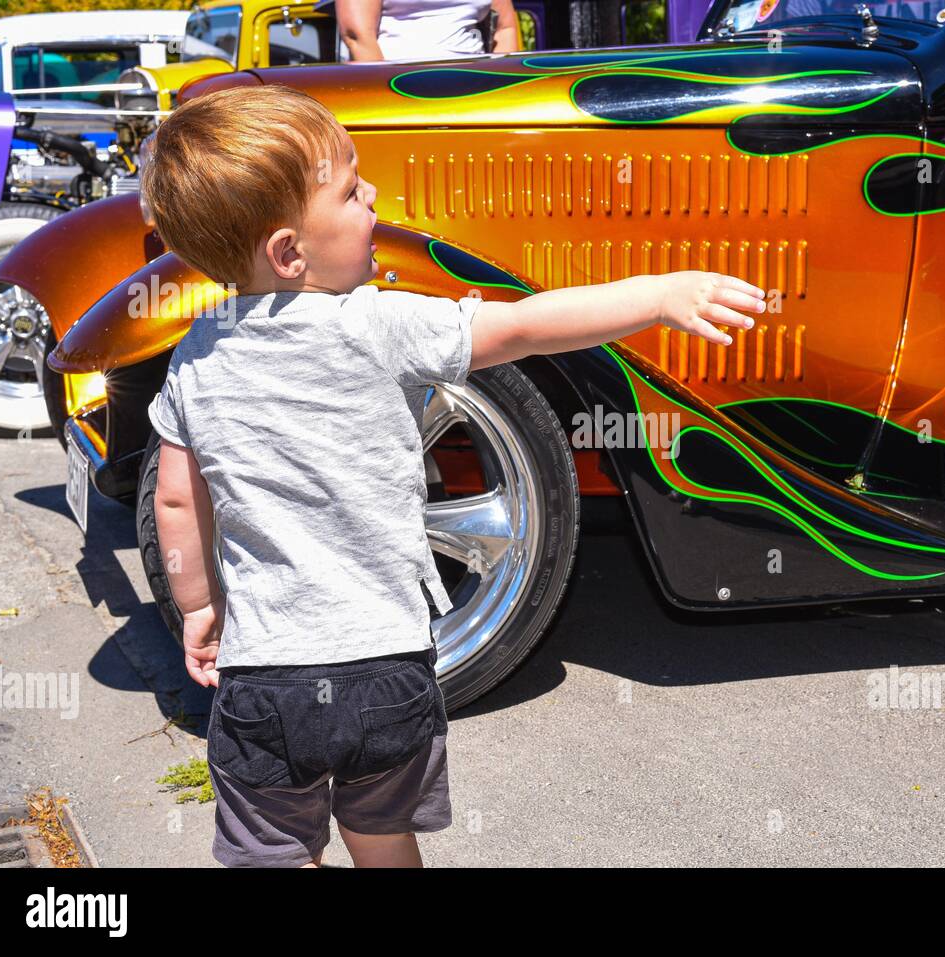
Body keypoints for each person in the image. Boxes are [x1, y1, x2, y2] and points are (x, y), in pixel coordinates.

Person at [141, 84, 765, 868]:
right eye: (350, 189)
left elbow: (175, 496)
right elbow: (527, 323)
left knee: (272, 851)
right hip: (387, 674)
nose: (374, 196)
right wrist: (658, 294)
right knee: (382, 835)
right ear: (289, 251)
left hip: (266, 679)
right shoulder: (383, 322)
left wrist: (199, 605)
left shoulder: (196, 358)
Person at [332, 0, 520, 62]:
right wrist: (387, 96)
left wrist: (503, 88)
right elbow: (357, 35)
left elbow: (505, 29)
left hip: (474, 88)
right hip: (400, 85)